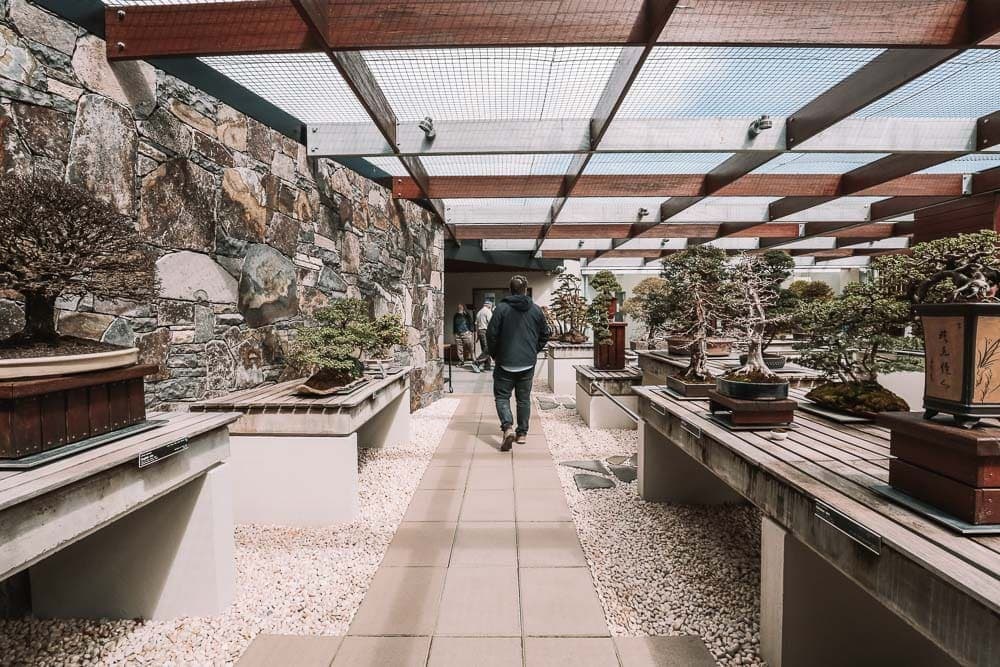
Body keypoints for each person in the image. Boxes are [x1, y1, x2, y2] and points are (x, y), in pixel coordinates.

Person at [486, 275, 551, 451]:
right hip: (527, 364)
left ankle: (507, 428)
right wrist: (533, 351)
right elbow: (546, 334)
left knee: (502, 397)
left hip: (505, 362)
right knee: (523, 399)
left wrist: (494, 354)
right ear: (525, 290)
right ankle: (521, 434)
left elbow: (491, 335)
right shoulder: (536, 310)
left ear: (510, 290)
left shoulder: (501, 308)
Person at [453, 304, 480, 372]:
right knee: (459, 349)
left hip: (466, 333)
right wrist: (454, 332)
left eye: (460, 308)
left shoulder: (466, 315)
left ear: (463, 308)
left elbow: (471, 323)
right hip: (458, 334)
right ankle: (461, 361)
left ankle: (474, 360)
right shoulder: (456, 315)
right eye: (458, 307)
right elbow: (454, 324)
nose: (459, 308)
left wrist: (471, 332)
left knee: (471, 347)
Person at [474, 300, 493, 371]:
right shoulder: (487, 311)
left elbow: (476, 324)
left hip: (480, 332)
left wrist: (477, 335)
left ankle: (487, 365)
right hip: (485, 331)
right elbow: (491, 323)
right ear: (489, 305)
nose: (491, 307)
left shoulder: (479, 312)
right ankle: (477, 362)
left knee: (484, 349)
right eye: (491, 306)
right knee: (488, 349)